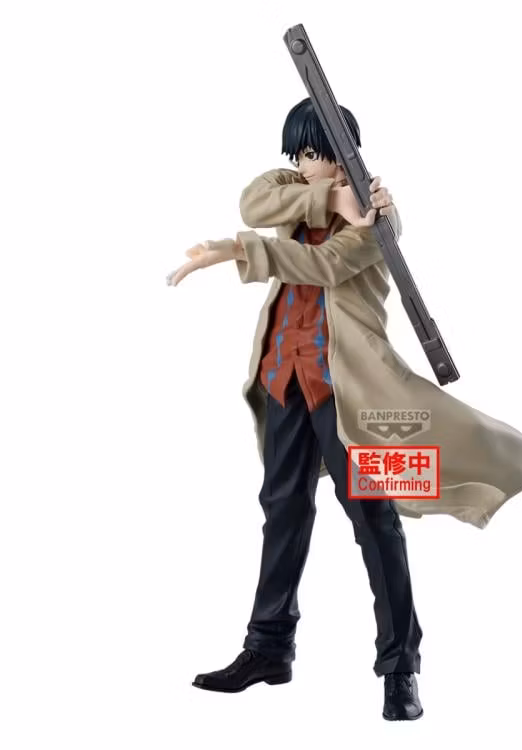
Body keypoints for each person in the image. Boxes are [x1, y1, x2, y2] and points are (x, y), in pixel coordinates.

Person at [168, 98, 424, 721]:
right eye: (303, 153)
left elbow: (323, 264)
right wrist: (323, 197)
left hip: (348, 391)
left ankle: (400, 668)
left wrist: (236, 252)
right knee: (282, 511)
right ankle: (268, 649)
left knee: (375, 519)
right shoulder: (300, 189)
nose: (309, 164)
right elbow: (253, 201)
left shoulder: (378, 213)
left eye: (321, 154)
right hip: (283, 378)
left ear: (346, 154)